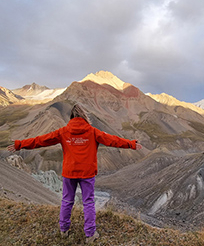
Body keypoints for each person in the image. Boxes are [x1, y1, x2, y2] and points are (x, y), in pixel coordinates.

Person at [7, 103, 142, 243]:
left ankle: (64, 230)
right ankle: (90, 235)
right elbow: (113, 140)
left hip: (69, 172)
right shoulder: (93, 131)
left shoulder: (63, 131)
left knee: (67, 201)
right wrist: (131, 144)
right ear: (84, 116)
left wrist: (20, 144)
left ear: (71, 117)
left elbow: (42, 140)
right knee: (88, 202)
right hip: (87, 174)